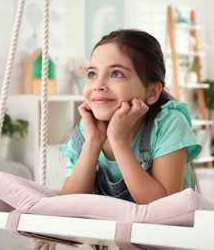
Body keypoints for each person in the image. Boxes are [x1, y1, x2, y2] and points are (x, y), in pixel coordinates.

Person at [59, 29, 201, 204]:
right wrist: (94, 141)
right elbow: (68, 204)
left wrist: (118, 140)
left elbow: (163, 208)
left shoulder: (169, 123)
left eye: (116, 74)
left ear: (152, 92)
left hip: (162, 229)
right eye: (92, 74)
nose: (98, 85)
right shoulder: (87, 130)